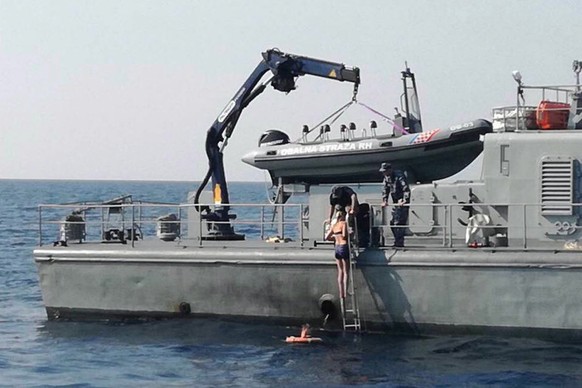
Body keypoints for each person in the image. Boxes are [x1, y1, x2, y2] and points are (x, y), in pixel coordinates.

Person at [380, 162, 410, 248]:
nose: (384, 173)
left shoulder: (399, 176)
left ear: (390, 170)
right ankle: (398, 241)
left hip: (402, 202)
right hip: (395, 202)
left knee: (399, 223)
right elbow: (385, 189)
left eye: (385, 171)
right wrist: (384, 200)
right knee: (393, 223)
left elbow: (405, 188)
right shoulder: (387, 178)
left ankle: (399, 243)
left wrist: (405, 200)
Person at [325, 210, 349, 306]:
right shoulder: (344, 224)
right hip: (343, 246)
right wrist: (349, 234)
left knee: (340, 271)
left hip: (337, 248)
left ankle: (340, 292)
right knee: (346, 271)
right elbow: (344, 235)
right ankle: (346, 292)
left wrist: (335, 237)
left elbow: (327, 237)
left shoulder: (334, 225)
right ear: (343, 216)